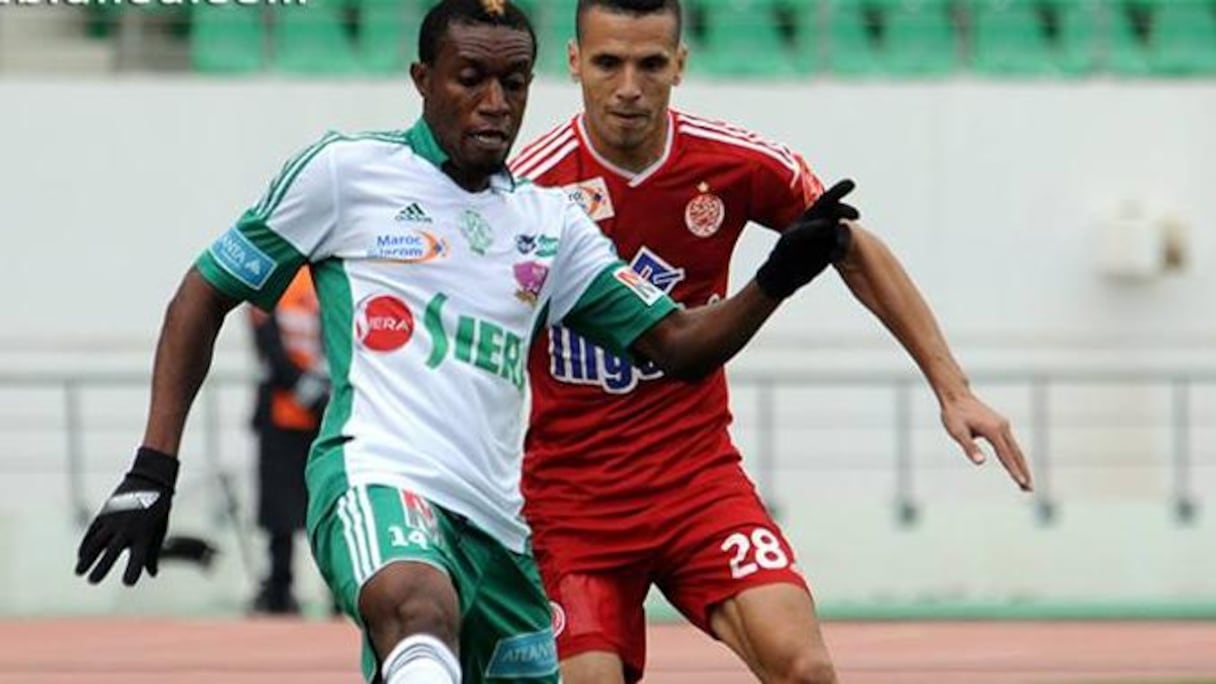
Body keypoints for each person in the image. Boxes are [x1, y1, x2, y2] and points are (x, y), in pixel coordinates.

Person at [71, 1, 860, 682]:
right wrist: (153, 469)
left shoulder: (551, 223)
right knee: (419, 610)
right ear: (422, 79)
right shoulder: (346, 173)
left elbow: (677, 346)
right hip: (377, 477)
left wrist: (775, 278)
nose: (494, 103)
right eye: (470, 79)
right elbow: (203, 293)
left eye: (513, 83)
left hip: (500, 527)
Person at [510, 1, 1035, 683]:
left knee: (805, 668)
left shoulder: (737, 163)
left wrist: (953, 390)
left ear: (680, 65)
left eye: (651, 64)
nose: (630, 87)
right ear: (575, 62)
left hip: (697, 483)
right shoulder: (527, 189)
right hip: (571, 503)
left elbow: (848, 245)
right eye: (609, 63)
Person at [247, 267, 329, 615]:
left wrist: (327, 394)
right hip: (280, 415)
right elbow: (269, 349)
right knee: (279, 514)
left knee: (328, 504)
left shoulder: (324, 275)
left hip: (323, 417)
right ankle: (280, 590)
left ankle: (337, 591)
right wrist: (308, 392)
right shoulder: (268, 279)